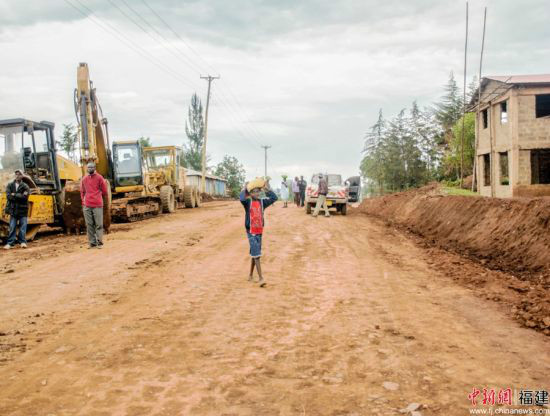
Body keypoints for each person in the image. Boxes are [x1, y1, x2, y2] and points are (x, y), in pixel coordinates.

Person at [240, 178, 278, 287]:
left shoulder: (262, 202)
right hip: (251, 231)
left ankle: (251, 275)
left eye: (258, 191)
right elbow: (241, 198)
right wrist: (245, 188)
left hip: (259, 231)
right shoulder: (247, 202)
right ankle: (261, 278)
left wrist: (267, 189)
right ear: (250, 193)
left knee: (255, 253)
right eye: (254, 191)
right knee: (257, 255)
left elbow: (275, 198)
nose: (257, 193)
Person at [80, 162, 108, 249]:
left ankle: (99, 243)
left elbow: (104, 191)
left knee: (98, 224)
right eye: (88, 167)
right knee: (89, 224)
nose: (90, 169)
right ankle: (92, 243)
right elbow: (82, 191)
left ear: (95, 168)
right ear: (86, 169)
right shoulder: (84, 179)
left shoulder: (100, 178)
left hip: (97, 204)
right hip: (87, 205)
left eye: (91, 167)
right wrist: (83, 201)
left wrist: (99, 197)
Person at [3, 169, 30, 249]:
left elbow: (25, 197)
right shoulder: (10, 185)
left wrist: (14, 194)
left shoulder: (25, 186)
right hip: (13, 209)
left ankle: (22, 242)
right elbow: (8, 196)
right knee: (12, 227)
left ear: (22, 176)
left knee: (23, 227)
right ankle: (10, 243)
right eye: (16, 174)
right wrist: (18, 195)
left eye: (19, 174)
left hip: (23, 210)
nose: (17, 176)